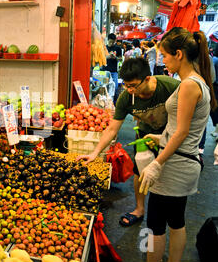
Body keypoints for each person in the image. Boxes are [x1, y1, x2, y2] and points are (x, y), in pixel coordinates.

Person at [139, 27, 216, 262]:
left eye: (165, 55)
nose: (162, 61)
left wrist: (156, 164)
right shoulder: (196, 81)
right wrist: (161, 139)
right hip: (182, 160)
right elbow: (184, 129)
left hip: (175, 164)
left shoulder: (189, 85)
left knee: (154, 223)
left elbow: (182, 132)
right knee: (175, 220)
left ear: (179, 54)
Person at [77, 57, 180, 227]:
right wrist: (95, 153)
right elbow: (112, 129)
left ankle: (168, 214)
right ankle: (139, 209)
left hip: (171, 137)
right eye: (126, 85)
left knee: (166, 174)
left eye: (133, 86)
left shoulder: (170, 87)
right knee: (139, 171)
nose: (130, 89)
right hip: (145, 135)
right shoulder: (126, 98)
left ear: (147, 78)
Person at [105, 33, 123, 102]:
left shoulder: (118, 48)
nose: (111, 43)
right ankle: (107, 103)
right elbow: (101, 58)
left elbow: (120, 59)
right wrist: (108, 57)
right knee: (105, 88)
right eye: (110, 41)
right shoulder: (105, 48)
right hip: (105, 71)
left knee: (115, 88)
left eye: (113, 42)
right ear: (108, 40)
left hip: (114, 71)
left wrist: (115, 57)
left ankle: (115, 103)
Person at [210, 40, 218, 139]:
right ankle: (217, 129)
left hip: (217, 87)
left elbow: (212, 75)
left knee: (213, 108)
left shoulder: (215, 60)